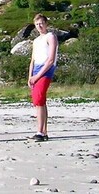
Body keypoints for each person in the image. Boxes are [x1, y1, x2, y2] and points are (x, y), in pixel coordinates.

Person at [27, 13, 58, 142]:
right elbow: (33, 60)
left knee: (39, 99)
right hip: (36, 68)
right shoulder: (36, 41)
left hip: (46, 69)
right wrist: (30, 76)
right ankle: (43, 131)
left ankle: (39, 131)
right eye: (37, 24)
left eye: (41, 23)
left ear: (46, 24)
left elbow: (50, 59)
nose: (39, 26)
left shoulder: (50, 36)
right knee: (39, 101)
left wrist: (38, 76)